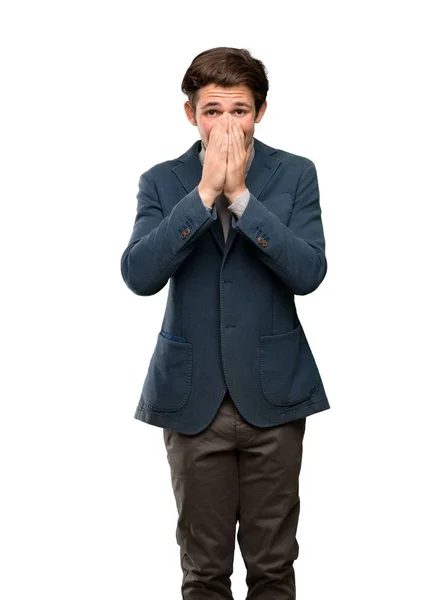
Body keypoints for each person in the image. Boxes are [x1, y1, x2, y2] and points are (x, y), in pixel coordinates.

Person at [120, 46, 330, 600]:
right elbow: (139, 275)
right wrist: (206, 192)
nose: (226, 125)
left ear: (260, 112)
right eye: (213, 111)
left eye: (238, 110)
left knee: (273, 568)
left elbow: (309, 272)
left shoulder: (295, 174)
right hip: (193, 401)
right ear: (191, 114)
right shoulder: (163, 182)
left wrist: (239, 197)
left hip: (275, 394)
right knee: (203, 572)